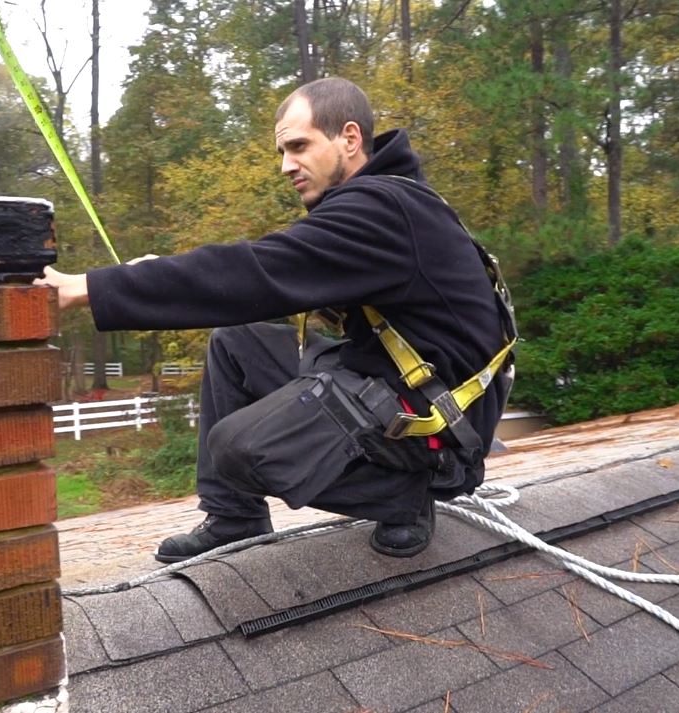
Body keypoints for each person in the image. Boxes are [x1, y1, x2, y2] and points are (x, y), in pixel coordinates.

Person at [36, 77, 514, 562]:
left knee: (240, 448)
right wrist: (150, 275)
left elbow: (254, 273)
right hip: (391, 381)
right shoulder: (384, 203)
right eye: (283, 152)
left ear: (349, 138)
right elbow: (265, 269)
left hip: (440, 433)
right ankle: (235, 516)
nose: (286, 165)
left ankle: (407, 494)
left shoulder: (383, 211)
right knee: (236, 342)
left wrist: (87, 287)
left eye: (299, 146)